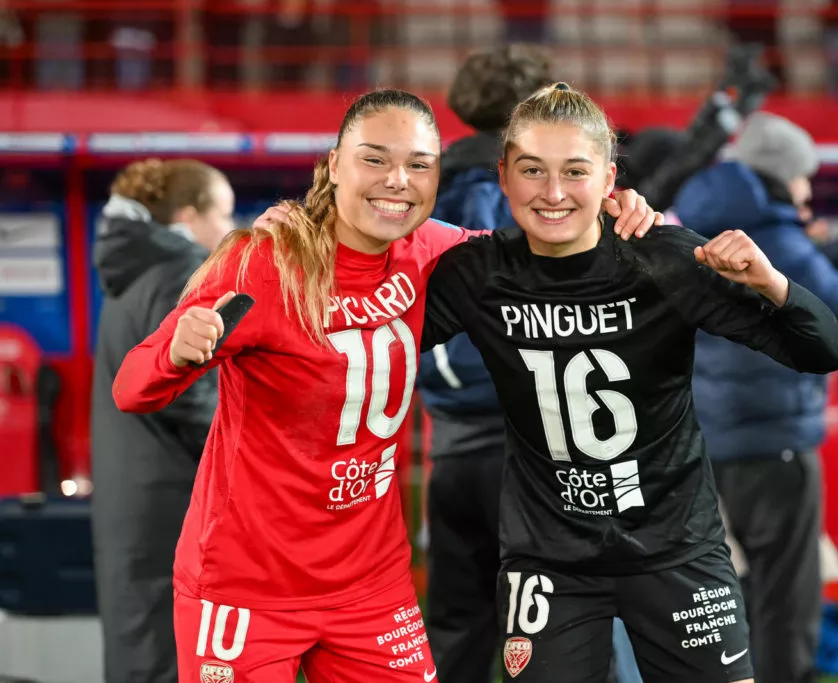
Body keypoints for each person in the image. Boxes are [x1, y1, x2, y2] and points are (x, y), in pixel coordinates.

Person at [112, 88, 659, 683]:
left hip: (372, 586)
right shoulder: (262, 263)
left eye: (419, 164)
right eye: (374, 159)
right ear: (334, 165)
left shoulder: (433, 251)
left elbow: (542, 246)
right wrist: (175, 351)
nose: (397, 180)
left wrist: (612, 209)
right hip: (247, 586)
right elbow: (132, 389)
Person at [418, 82, 838, 683]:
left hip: (678, 553)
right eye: (532, 170)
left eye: (575, 171)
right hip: (548, 563)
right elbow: (371, 340)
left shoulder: (662, 258)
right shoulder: (479, 272)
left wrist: (771, 282)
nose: (553, 192)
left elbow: (825, 350)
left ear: (609, 178)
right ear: (503, 177)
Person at [672, 112, 838, 683]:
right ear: (781, 176)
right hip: (774, 442)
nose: (808, 191)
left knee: (736, 596)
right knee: (787, 599)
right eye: (804, 177)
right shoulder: (775, 238)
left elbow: (795, 286)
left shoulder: (707, 222)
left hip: (712, 442)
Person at [419, 43, 556, 683]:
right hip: (527, 452)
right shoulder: (535, 195)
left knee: (457, 628)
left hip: (446, 446)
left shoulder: (417, 190)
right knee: (557, 633)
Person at [90, 158, 235, 683]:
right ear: (188, 217)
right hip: (175, 496)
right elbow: (189, 395)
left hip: (131, 495)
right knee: (174, 651)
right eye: (223, 214)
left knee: (138, 644)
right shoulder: (182, 270)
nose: (230, 229)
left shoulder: (133, 270)